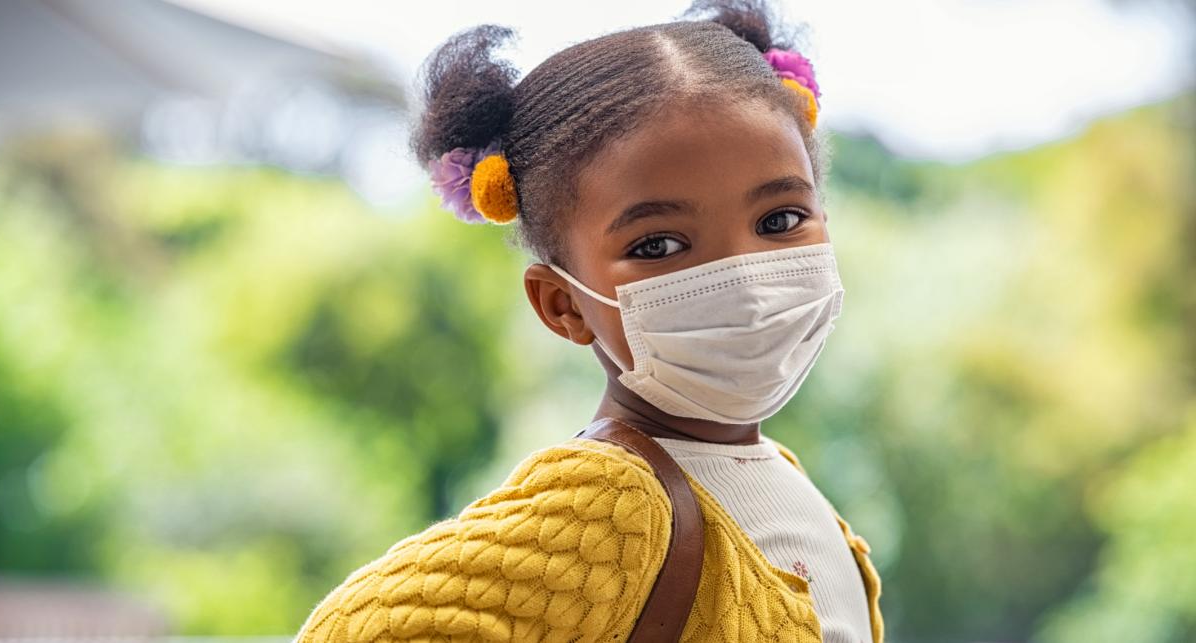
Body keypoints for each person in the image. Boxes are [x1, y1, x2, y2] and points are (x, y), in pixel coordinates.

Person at [295, 1, 883, 640]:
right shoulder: (613, 507)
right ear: (562, 304)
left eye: (780, 220)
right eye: (657, 245)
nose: (743, 279)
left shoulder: (775, 475)